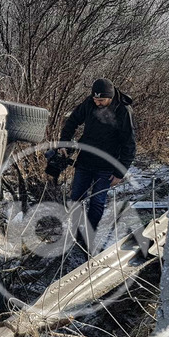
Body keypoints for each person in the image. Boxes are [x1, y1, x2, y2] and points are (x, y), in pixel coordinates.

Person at [59, 78, 136, 249]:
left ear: (110, 97)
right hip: (85, 160)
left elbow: (129, 144)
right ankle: (74, 232)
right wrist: (64, 141)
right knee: (76, 197)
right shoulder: (89, 103)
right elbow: (72, 121)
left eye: (101, 100)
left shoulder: (123, 110)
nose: (97, 103)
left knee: (97, 202)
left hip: (107, 166)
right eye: (95, 99)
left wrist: (119, 173)